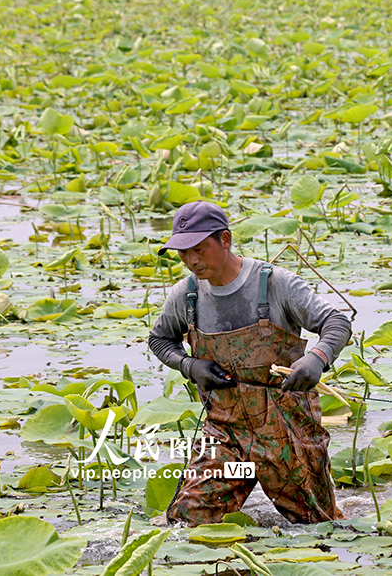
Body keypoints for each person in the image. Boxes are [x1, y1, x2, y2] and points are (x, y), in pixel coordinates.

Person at [147, 201, 351, 525]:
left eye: (199, 249)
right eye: (183, 252)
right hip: (225, 433)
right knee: (189, 518)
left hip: (288, 432)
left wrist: (317, 359)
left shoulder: (275, 284)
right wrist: (190, 366)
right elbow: (159, 340)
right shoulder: (185, 296)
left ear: (225, 240)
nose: (192, 260)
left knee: (317, 526)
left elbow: (336, 322)